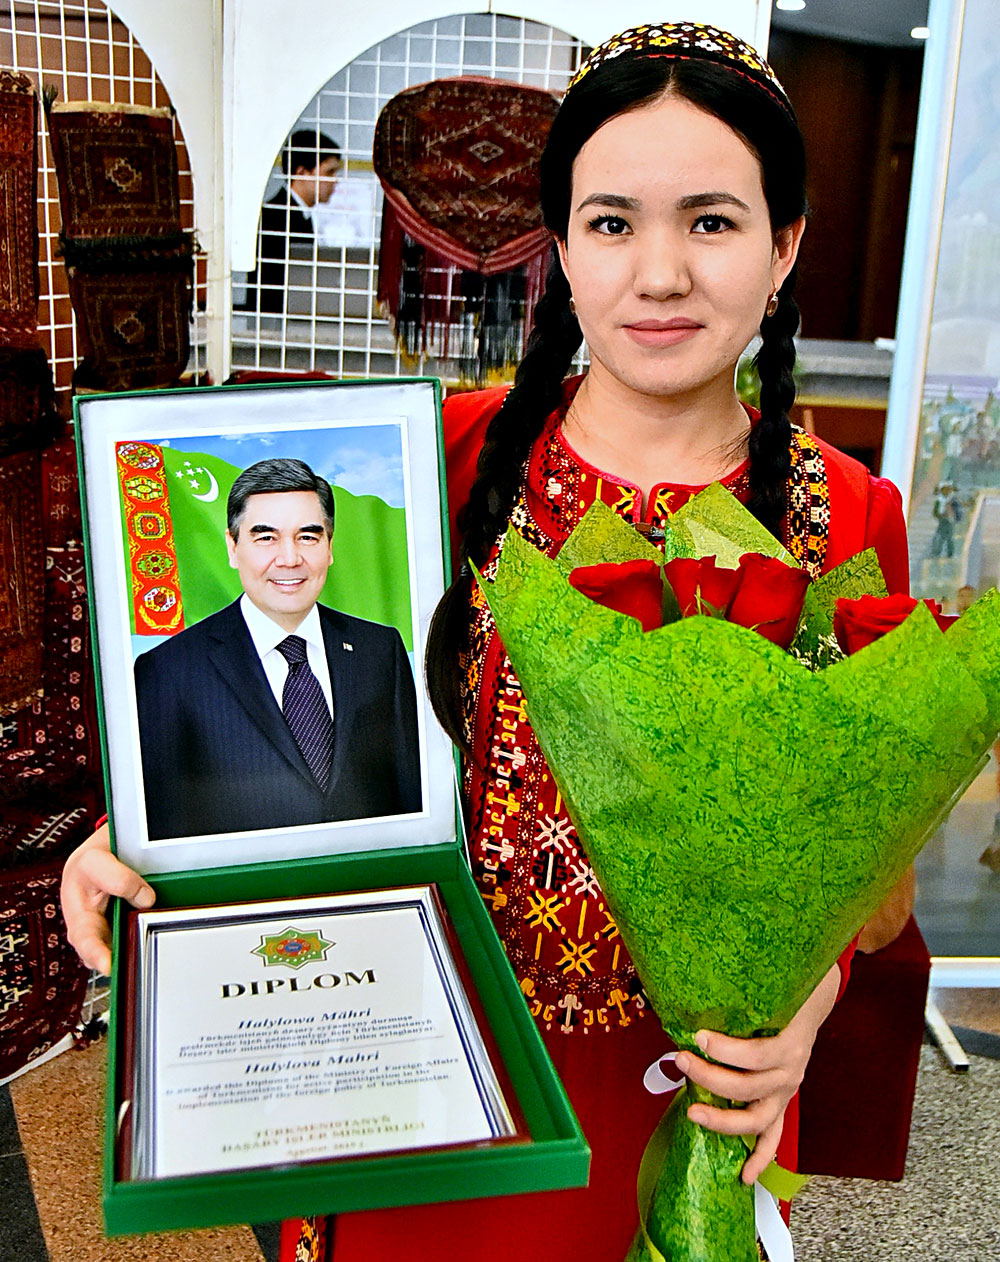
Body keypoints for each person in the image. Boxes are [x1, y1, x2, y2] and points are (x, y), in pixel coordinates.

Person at [62, 23, 910, 1260]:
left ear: (784, 245)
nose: (658, 274)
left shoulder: (848, 514)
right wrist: (144, 829)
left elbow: (872, 886)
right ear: (559, 246)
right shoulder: (433, 461)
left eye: (712, 222)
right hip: (416, 1056)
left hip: (676, 1089)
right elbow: (286, 701)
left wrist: (811, 1003)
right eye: (611, 222)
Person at [133, 456, 421, 840]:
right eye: (266, 537)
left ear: (330, 547)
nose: (289, 559)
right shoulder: (168, 670)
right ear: (233, 547)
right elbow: (166, 826)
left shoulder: (380, 649)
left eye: (308, 536)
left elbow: (410, 796)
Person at [241, 129, 342, 314]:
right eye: (329, 172)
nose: (335, 181)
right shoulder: (276, 217)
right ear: (302, 172)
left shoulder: (293, 214)